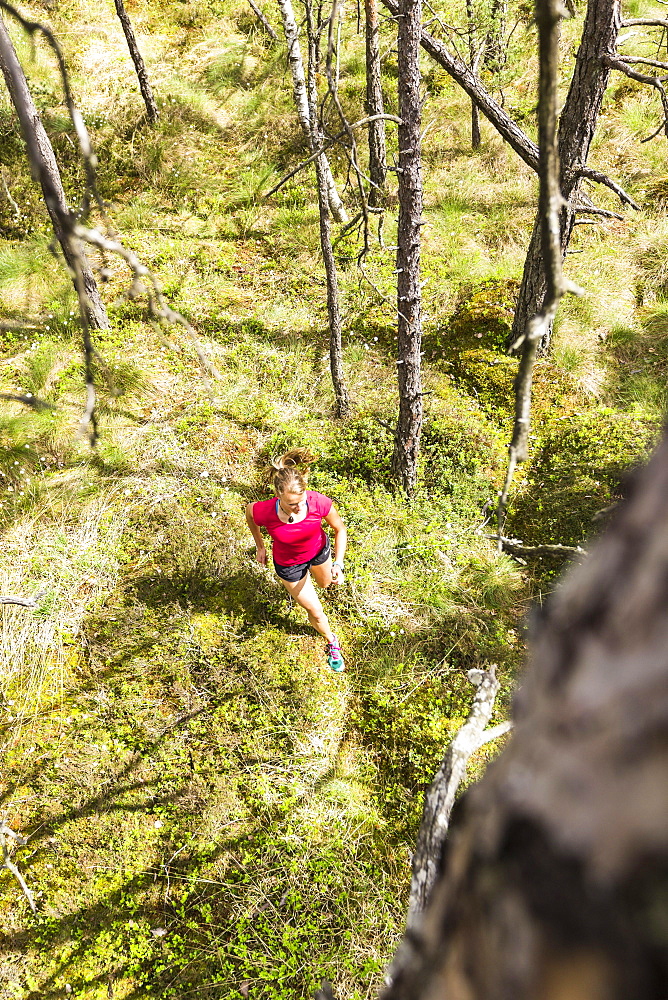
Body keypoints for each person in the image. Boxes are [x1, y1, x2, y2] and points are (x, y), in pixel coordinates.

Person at [245, 449, 347, 672]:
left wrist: (338, 563)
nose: (299, 507)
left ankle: (321, 579)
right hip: (289, 565)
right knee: (316, 611)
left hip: (319, 552)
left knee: (325, 584)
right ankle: (332, 641)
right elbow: (249, 514)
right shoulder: (264, 511)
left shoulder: (318, 502)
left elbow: (340, 530)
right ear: (278, 495)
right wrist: (260, 546)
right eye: (292, 504)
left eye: (301, 501)